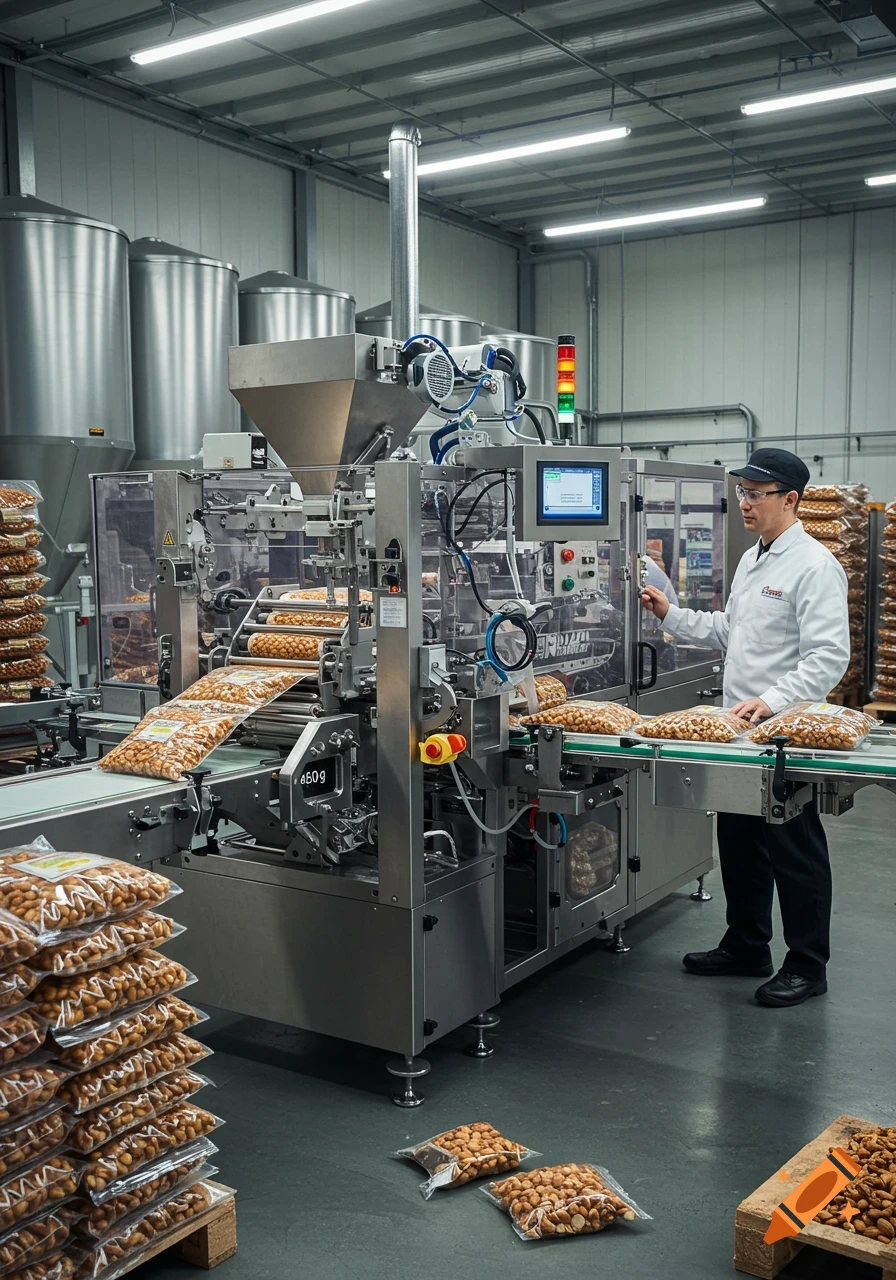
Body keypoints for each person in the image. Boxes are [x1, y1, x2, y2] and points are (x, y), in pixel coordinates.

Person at [639, 448, 850, 1008]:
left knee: (795, 852)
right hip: (739, 733)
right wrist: (670, 614)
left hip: (784, 736)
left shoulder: (814, 564)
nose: (745, 503)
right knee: (739, 844)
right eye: (742, 493)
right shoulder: (754, 559)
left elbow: (829, 657)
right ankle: (747, 944)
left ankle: (807, 965)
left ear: (791, 499)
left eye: (756, 494)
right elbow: (731, 630)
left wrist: (772, 700)